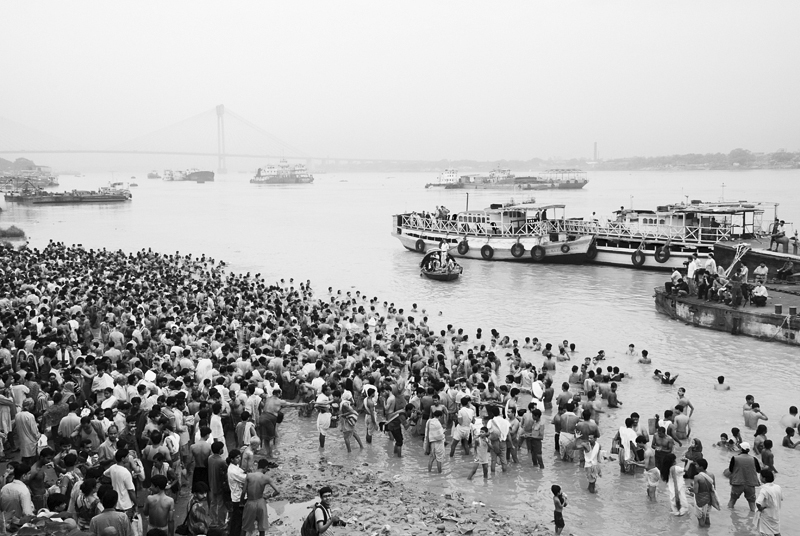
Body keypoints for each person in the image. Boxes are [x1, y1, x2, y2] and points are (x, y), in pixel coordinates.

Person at [241, 459, 279, 536]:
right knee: (262, 528)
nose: (267, 471)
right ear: (265, 467)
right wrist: (269, 496)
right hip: (261, 503)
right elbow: (277, 491)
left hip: (250, 502)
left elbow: (243, 492)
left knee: (245, 528)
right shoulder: (266, 478)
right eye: (267, 469)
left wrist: (241, 503)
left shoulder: (249, 476)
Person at [727, 442, 761, 512]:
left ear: (740, 449)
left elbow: (731, 469)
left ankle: (730, 517)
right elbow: (758, 470)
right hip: (750, 484)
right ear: (748, 450)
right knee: (752, 504)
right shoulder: (754, 459)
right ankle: (752, 519)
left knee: (732, 502)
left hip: (737, 483)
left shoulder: (735, 458)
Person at [692, 459, 719, 528]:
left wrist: (690, 489)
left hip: (700, 500)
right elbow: (713, 488)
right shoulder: (711, 475)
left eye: (696, 464)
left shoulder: (697, 477)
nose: (695, 465)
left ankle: (702, 532)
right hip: (709, 499)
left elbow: (696, 491)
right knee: (707, 516)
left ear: (701, 467)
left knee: (700, 518)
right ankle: (707, 531)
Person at [756, 469, 783, 536]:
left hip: (767, 515)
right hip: (776, 513)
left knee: (765, 532)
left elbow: (758, 502)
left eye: (760, 476)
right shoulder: (778, 487)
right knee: (776, 531)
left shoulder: (764, 489)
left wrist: (760, 509)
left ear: (764, 479)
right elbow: (781, 498)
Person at [226, 450, 246, 536]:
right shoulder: (233, 471)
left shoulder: (236, 467)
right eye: (237, 458)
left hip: (238, 496)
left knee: (236, 520)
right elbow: (246, 479)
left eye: (239, 457)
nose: (239, 459)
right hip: (238, 498)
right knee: (238, 521)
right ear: (232, 459)